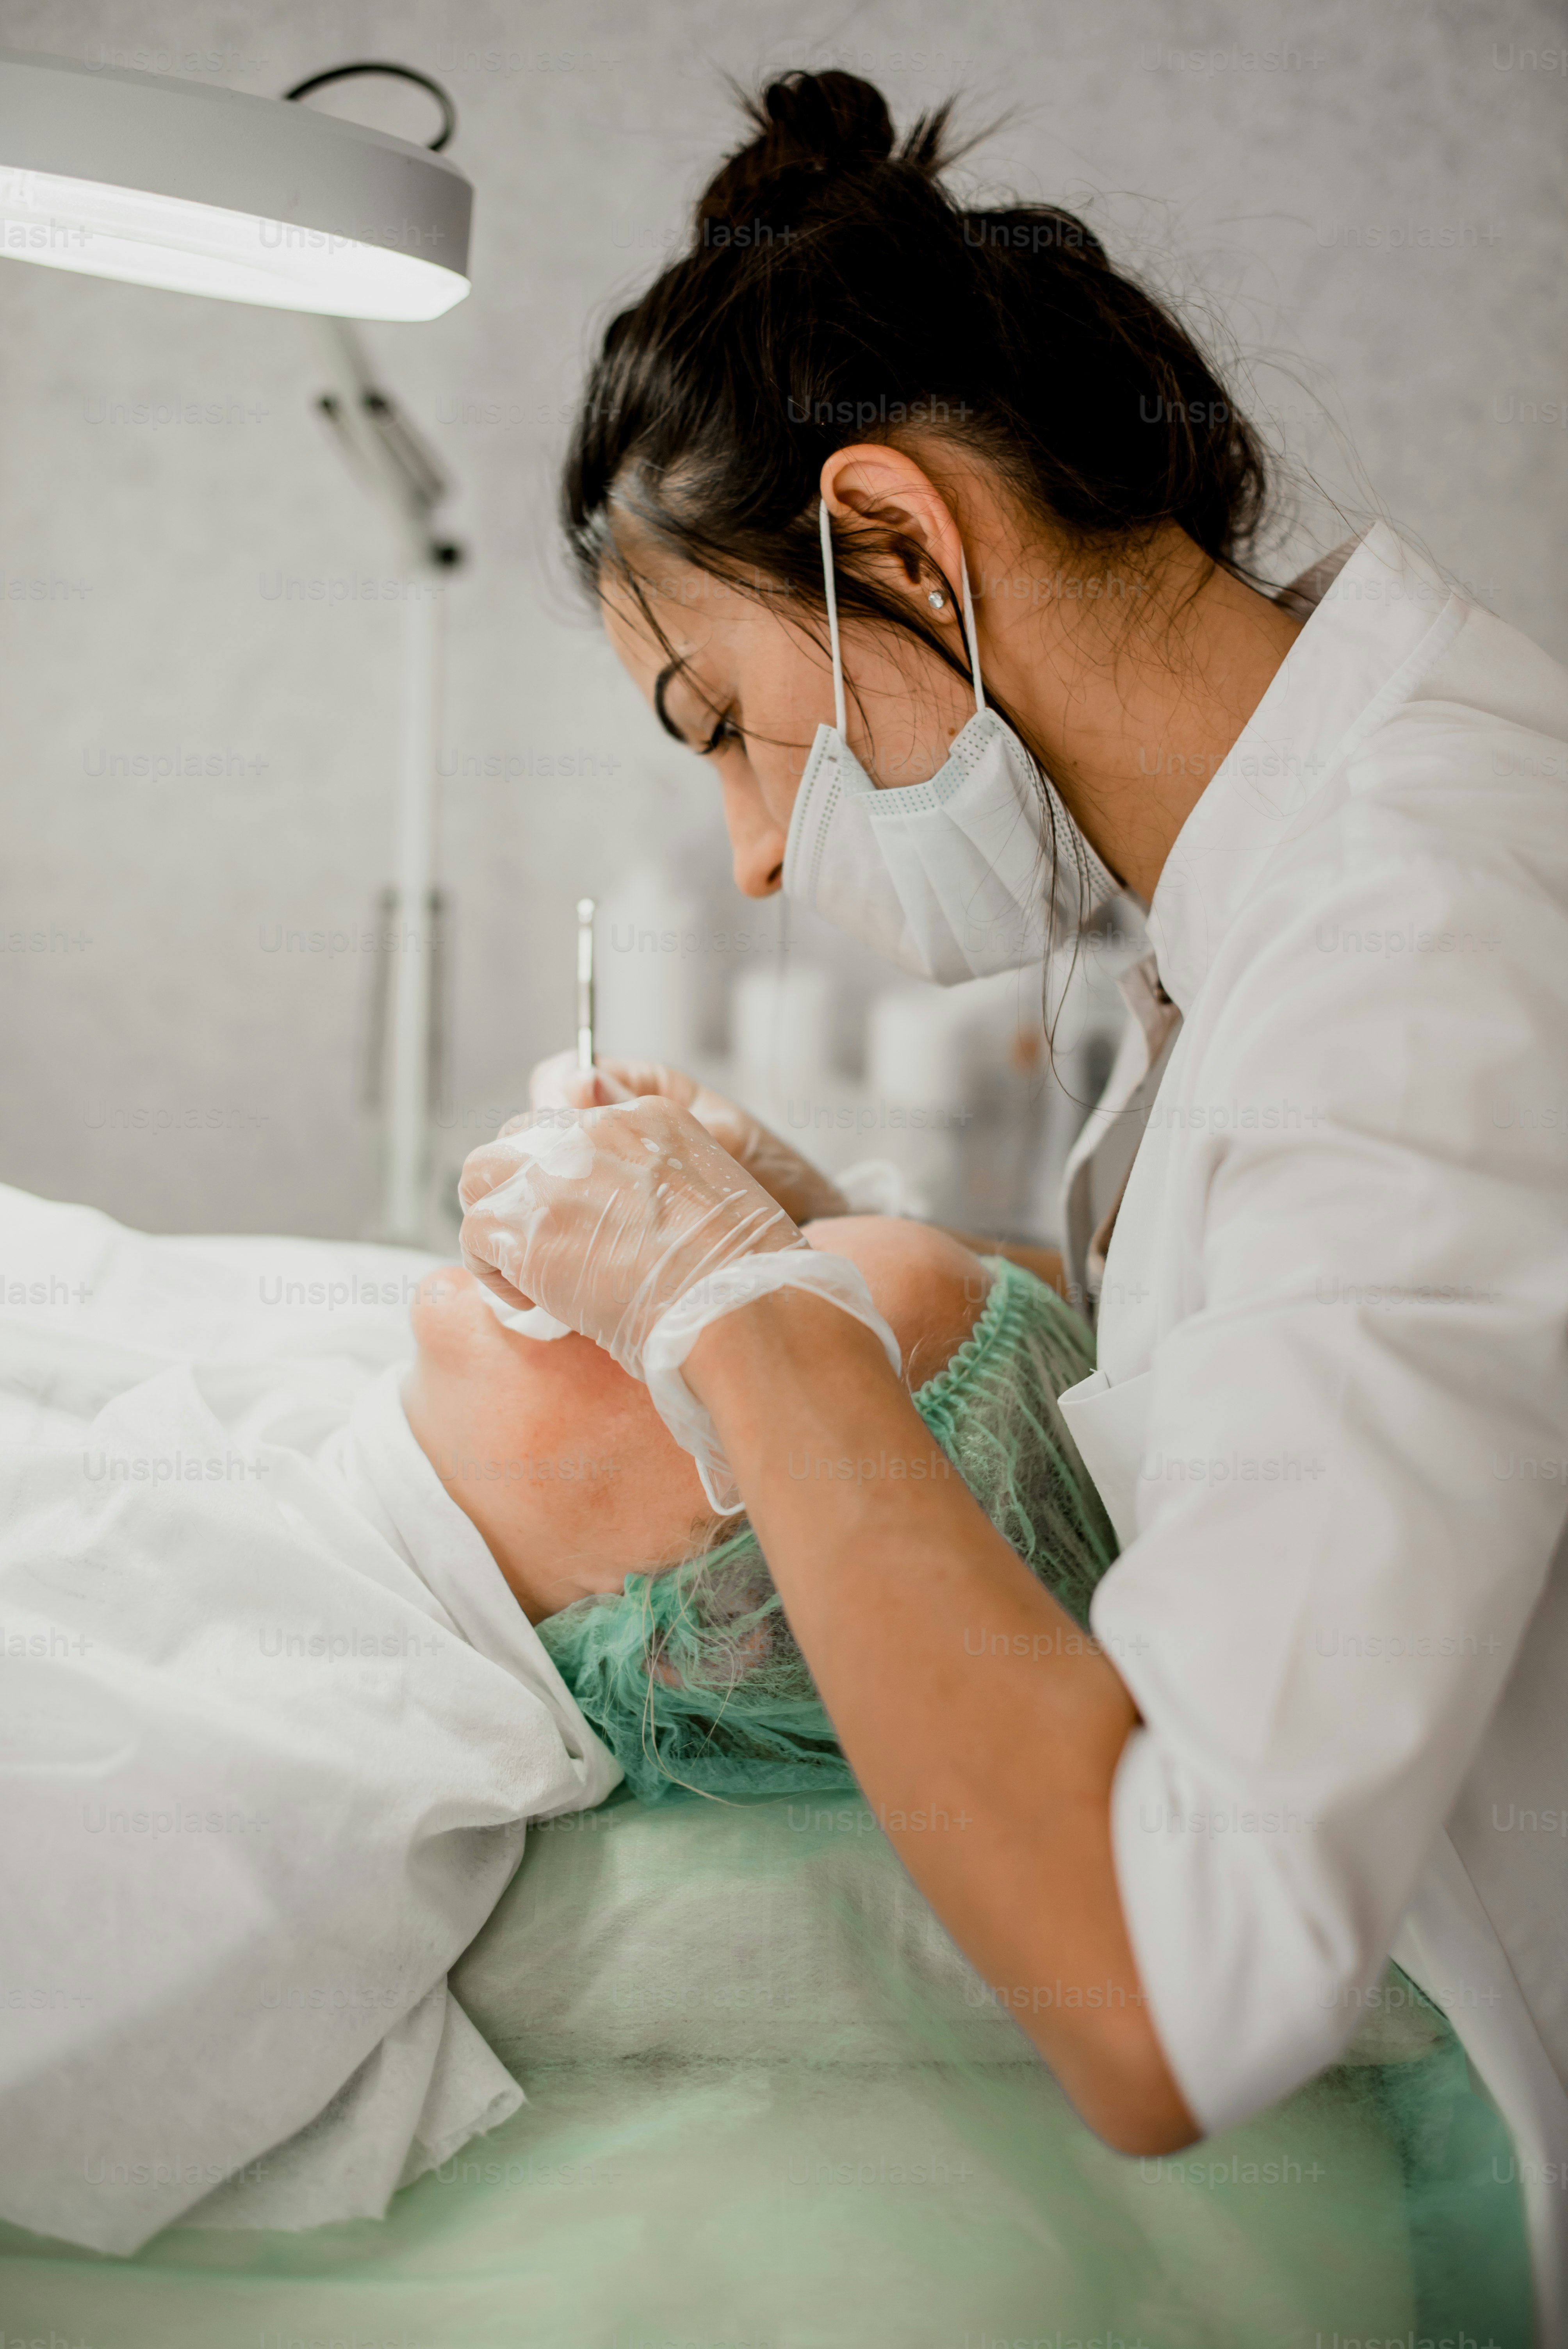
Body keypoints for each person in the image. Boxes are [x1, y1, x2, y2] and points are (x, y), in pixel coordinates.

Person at [455, 67, 1568, 2313]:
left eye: (717, 720)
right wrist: (802, 1219)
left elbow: (1176, 1991)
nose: (752, 853)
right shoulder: (1260, 895)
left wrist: (734, 1316)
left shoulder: (1420, 946)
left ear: (891, 546)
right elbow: (1273, 1355)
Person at [0, 1194, 1099, 2252]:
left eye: (733, 1315)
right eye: (765, 1223)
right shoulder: (411, 1405)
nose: (643, 1244)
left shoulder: (260, 1791)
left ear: (730, 1626)